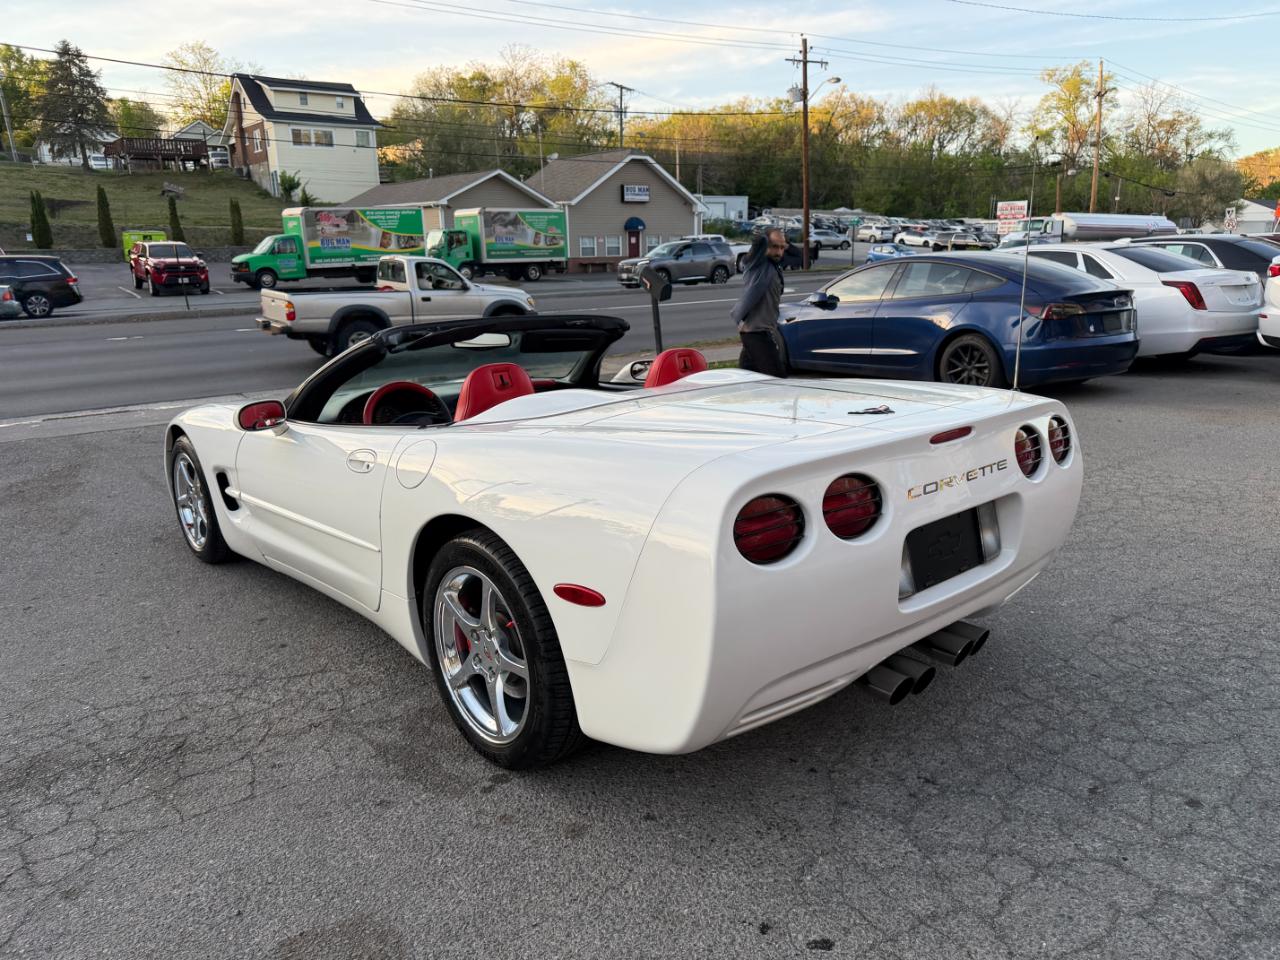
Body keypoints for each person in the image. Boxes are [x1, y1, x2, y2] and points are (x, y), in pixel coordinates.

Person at [730, 228, 788, 377]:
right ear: (765, 246)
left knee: (747, 379)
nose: (779, 252)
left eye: (782, 247)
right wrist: (760, 237)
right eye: (774, 246)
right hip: (757, 334)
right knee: (778, 380)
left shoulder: (774, 266)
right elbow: (757, 245)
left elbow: (796, 253)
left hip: (756, 332)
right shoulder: (757, 264)